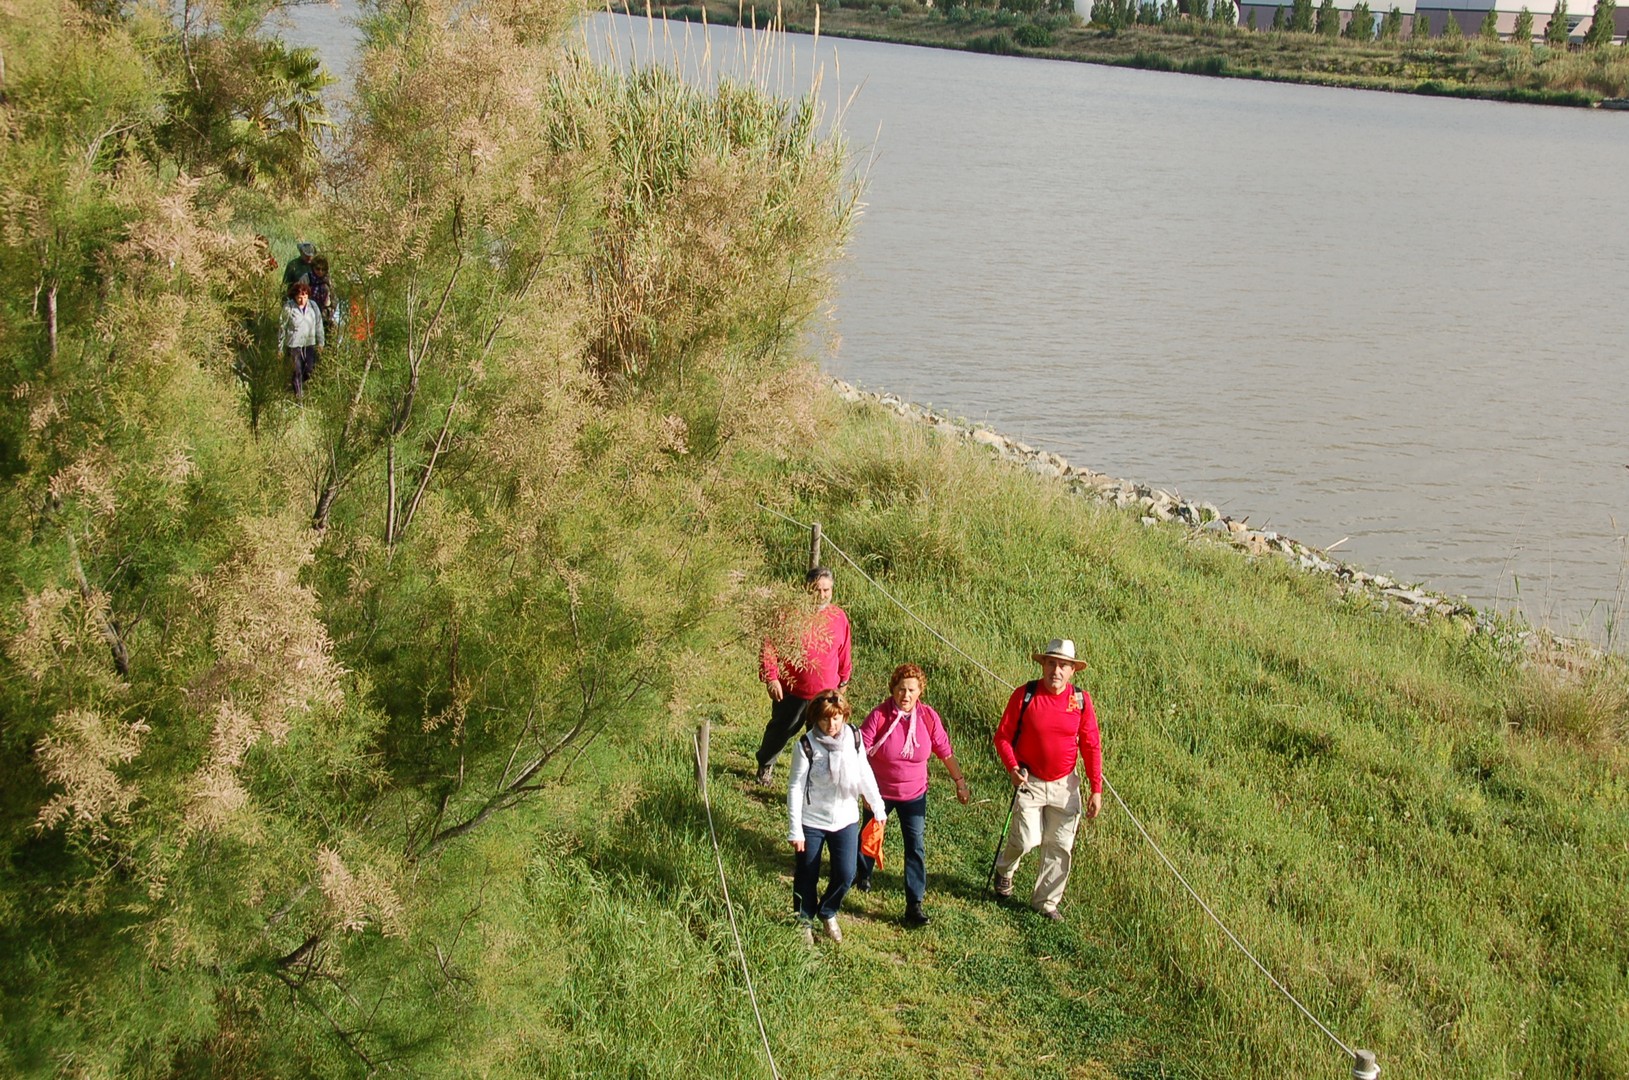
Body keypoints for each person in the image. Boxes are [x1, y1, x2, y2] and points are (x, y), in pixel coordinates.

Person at [990, 638, 1103, 922]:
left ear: (1072, 671)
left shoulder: (1081, 701)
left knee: (1060, 845)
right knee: (1026, 839)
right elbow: (1002, 737)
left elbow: (1091, 745)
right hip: (1029, 780)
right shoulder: (1025, 694)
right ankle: (1005, 869)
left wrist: (1096, 789)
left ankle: (1046, 903)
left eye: (1063, 665)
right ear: (1043, 666)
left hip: (1066, 785)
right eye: (1052, 663)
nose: (1057, 670)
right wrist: (1013, 768)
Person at [855, 663, 970, 927]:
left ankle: (914, 904)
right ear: (892, 689)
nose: (905, 695)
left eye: (911, 690)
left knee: (915, 845)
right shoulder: (879, 715)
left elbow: (945, 751)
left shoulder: (928, 717)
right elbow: (859, 751)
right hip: (879, 791)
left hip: (914, 794)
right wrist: (864, 790)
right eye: (901, 689)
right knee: (871, 833)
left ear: (920, 692)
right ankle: (862, 875)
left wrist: (960, 782)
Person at [787, 689, 886, 945]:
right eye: (825, 719)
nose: (831, 725)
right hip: (812, 821)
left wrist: (877, 805)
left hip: (846, 819)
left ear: (844, 716)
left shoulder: (854, 737)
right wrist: (795, 829)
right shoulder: (806, 746)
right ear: (816, 718)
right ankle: (804, 920)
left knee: (846, 873)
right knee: (807, 873)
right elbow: (796, 787)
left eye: (836, 718)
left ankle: (828, 911)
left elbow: (864, 771)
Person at [756, 566, 851, 785]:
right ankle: (766, 764)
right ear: (806, 588)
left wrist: (844, 679)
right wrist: (771, 677)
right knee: (781, 730)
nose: (822, 595)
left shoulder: (838, 617)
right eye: (817, 589)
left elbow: (844, 651)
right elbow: (769, 646)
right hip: (793, 690)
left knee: (825, 736)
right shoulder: (787, 615)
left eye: (826, 590)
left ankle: (817, 778)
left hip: (826, 692)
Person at [278, 280, 325, 399]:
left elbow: (319, 325)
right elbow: (282, 328)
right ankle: (298, 396)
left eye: (305, 296)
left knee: (309, 370)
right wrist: (280, 348)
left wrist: (321, 342)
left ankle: (297, 386)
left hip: (309, 344)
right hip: (294, 345)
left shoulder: (313, 306)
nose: (302, 300)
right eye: (299, 297)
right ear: (294, 296)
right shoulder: (288, 307)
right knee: (296, 371)